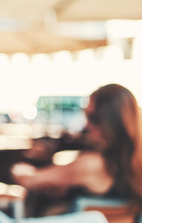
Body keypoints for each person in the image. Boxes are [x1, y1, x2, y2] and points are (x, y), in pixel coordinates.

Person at [11, 84, 142, 207]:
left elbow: (28, 180)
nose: (86, 125)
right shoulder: (137, 167)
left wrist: (21, 171)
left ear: (112, 122)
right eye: (86, 115)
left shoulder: (92, 166)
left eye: (93, 117)